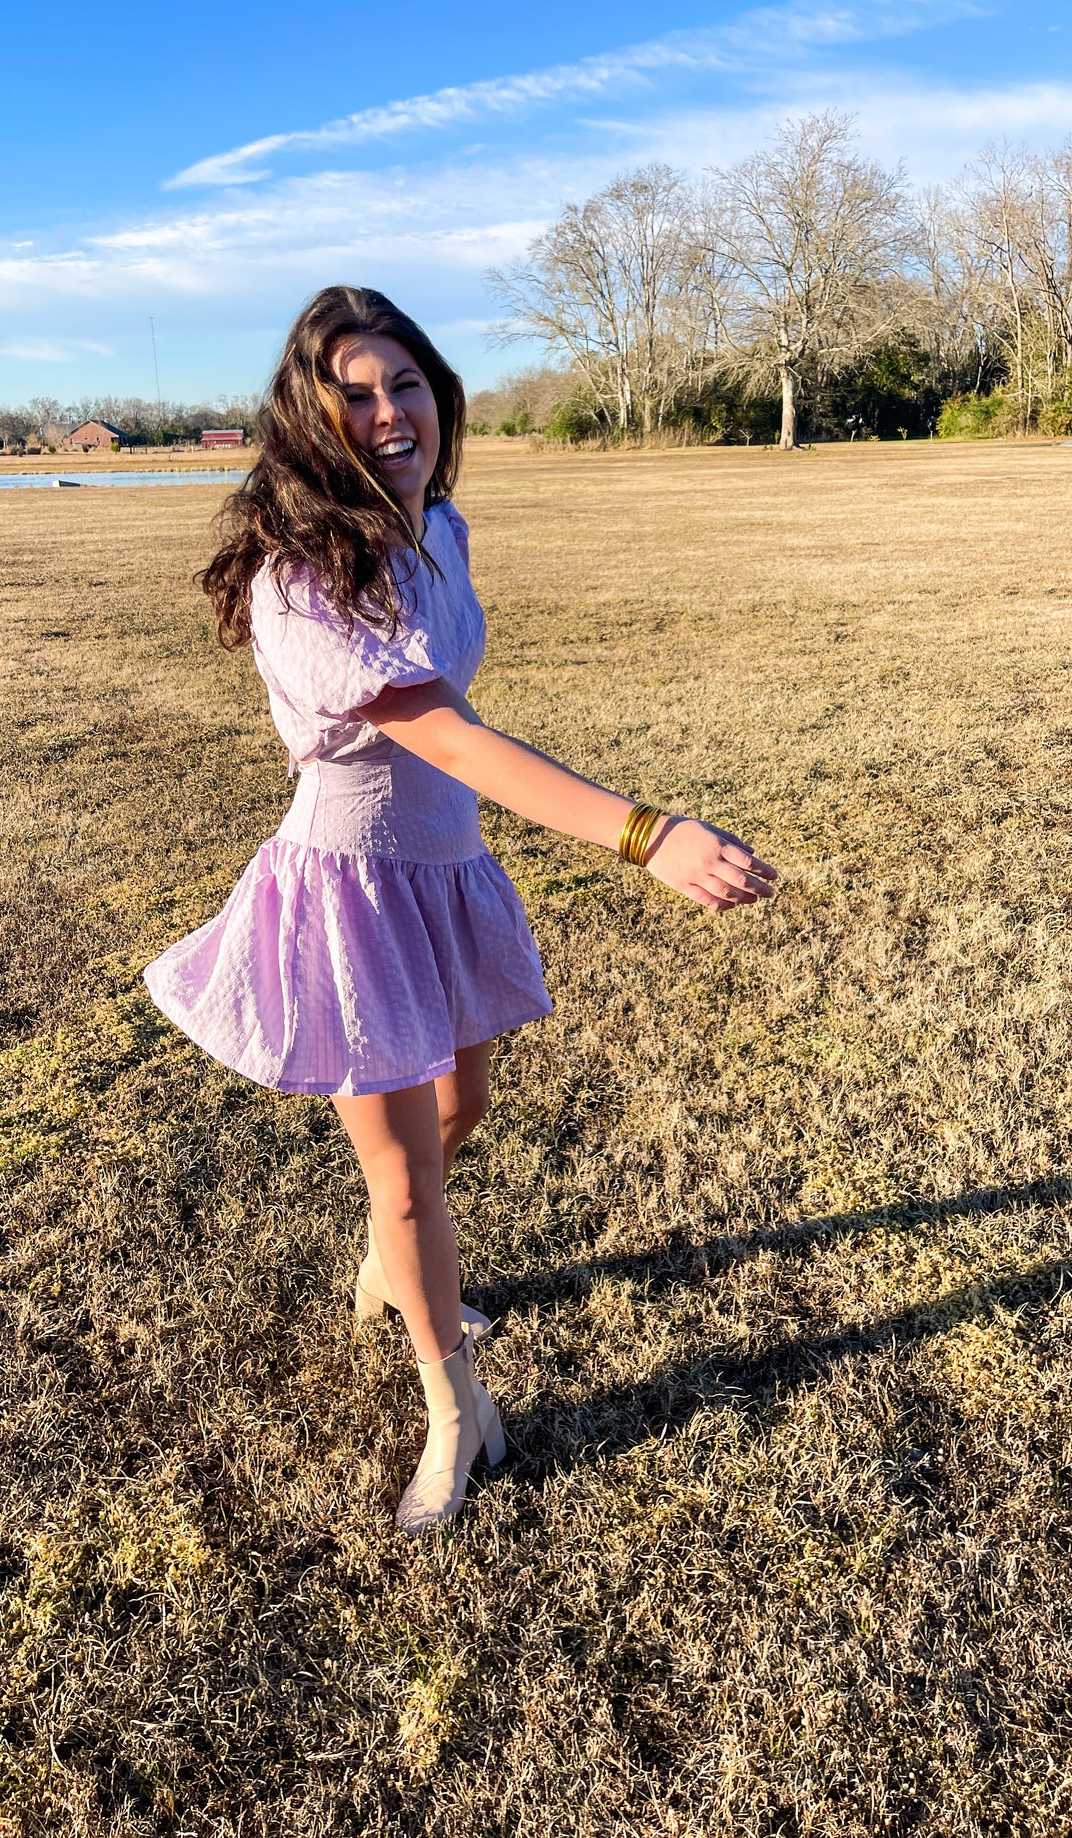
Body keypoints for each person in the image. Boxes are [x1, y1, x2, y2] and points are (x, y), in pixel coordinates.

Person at [144, 285, 777, 1535]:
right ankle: (453, 1408)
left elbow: (460, 734)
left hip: (444, 871)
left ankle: (393, 1272)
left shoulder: (442, 528)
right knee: (403, 1171)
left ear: (440, 392)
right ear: (310, 416)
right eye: (358, 393)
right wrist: (646, 835)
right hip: (348, 891)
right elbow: (452, 739)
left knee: (458, 1109)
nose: (390, 413)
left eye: (407, 384)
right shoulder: (295, 578)